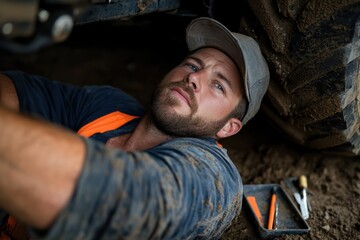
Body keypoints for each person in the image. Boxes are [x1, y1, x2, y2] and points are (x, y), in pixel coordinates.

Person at [0, 17, 269, 239]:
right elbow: (15, 90)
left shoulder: (213, 176)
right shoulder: (110, 105)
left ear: (228, 127)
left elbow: (122, 201)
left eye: (219, 85)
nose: (194, 77)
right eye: (192, 64)